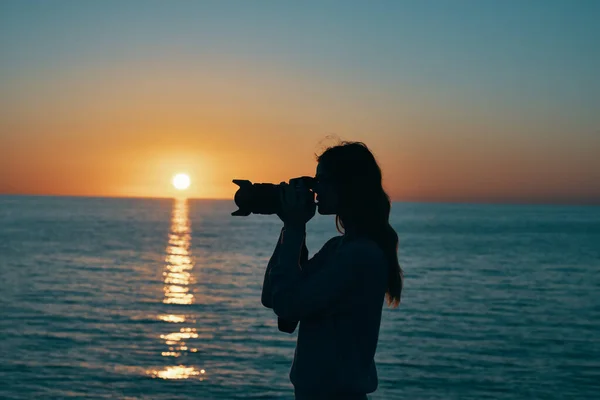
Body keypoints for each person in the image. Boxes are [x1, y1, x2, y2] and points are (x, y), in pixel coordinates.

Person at [261, 141, 404, 400]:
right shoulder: (338, 248)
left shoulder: (359, 255)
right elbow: (272, 297)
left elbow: (287, 305)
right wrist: (291, 229)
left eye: (321, 179)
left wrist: (294, 229)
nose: (315, 189)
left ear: (348, 185)